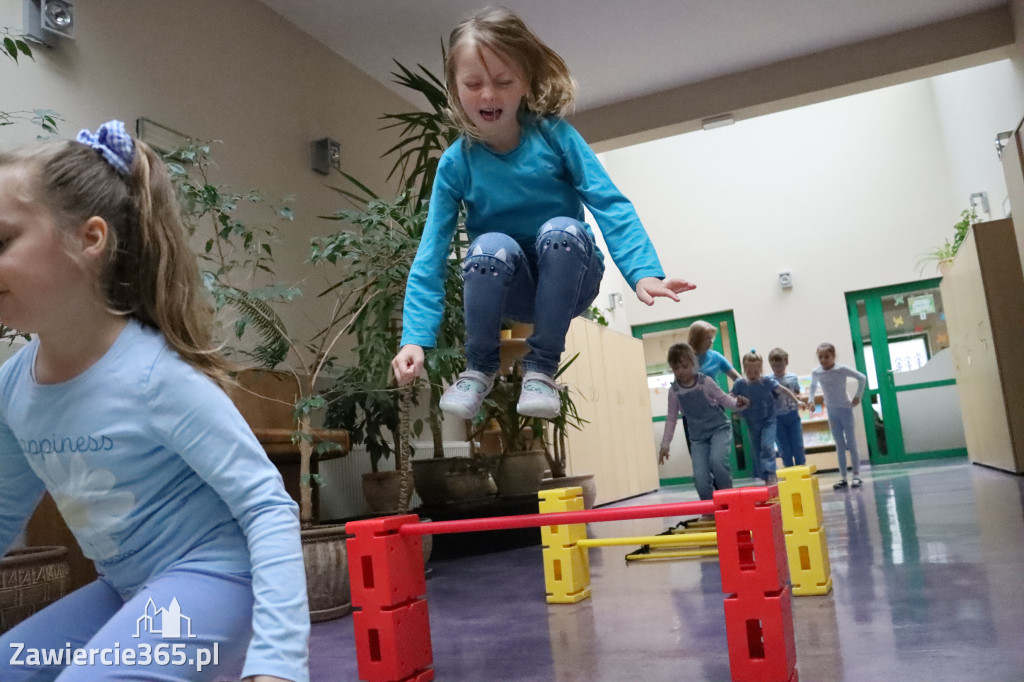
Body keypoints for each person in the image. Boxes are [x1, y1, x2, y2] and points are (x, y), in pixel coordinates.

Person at [0, 122, 309, 682]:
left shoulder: (155, 378)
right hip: (124, 588)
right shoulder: (13, 387)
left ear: (89, 240)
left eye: (1, 241)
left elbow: (268, 507)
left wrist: (279, 662)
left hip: (216, 578)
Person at [390, 7, 694, 418]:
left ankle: (542, 368)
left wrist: (644, 272)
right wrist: (414, 339)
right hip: (508, 283)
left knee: (561, 230)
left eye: (503, 82)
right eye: (473, 84)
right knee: (488, 246)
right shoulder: (456, 162)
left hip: (571, 272)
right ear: (455, 88)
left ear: (525, 83)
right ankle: (478, 368)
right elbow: (431, 252)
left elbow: (610, 203)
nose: (488, 95)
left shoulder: (555, 137)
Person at [658, 343, 749, 501]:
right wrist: (665, 443)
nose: (680, 371)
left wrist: (738, 404)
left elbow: (723, 398)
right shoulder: (674, 391)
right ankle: (708, 508)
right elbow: (671, 418)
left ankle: (729, 501)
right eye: (675, 368)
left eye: (684, 366)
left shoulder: (704, 382)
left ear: (693, 363)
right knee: (700, 477)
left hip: (719, 429)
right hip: (698, 438)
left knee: (717, 462)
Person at [730, 350, 804, 485]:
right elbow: (730, 396)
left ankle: (771, 474)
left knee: (767, 446)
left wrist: (796, 401)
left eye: (756, 372)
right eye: (749, 372)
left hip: (769, 420)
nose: (753, 375)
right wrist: (738, 401)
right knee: (756, 449)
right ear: (744, 370)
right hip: (752, 421)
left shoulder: (767, 381)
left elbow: (784, 390)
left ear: (761, 369)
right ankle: (764, 476)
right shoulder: (740, 383)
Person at [809, 342, 867, 490]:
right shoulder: (817, 372)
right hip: (832, 411)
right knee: (839, 445)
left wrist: (858, 396)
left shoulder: (841, 369)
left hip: (845, 409)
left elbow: (862, 377)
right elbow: (813, 386)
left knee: (851, 442)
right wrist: (810, 400)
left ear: (833, 356)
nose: (823, 360)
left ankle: (856, 475)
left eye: (826, 357)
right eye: (820, 357)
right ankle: (843, 478)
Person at [769, 347, 807, 468]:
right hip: (777, 418)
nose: (778, 370)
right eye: (775, 367)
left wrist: (798, 397)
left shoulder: (793, 377)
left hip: (793, 416)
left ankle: (801, 470)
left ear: (786, 363)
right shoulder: (769, 380)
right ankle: (789, 472)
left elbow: (797, 392)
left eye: (780, 366)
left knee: (798, 446)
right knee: (784, 449)